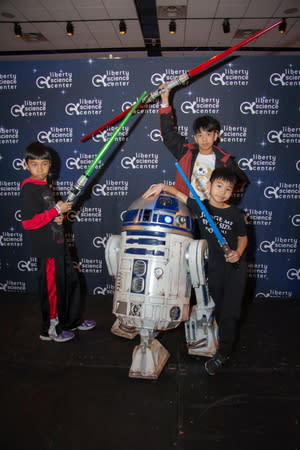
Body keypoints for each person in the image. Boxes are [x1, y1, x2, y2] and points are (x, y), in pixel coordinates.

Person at [142, 167, 248, 375]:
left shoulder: (235, 213)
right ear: (209, 185)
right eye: (218, 186)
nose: (222, 192)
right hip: (215, 269)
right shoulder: (201, 207)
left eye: (228, 189)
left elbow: (243, 237)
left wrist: (238, 252)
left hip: (235, 268)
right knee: (218, 309)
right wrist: (163, 187)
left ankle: (222, 353)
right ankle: (220, 338)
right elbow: (180, 194)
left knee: (230, 313)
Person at [20, 142, 96, 343]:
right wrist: (55, 211)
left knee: (71, 283)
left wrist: (58, 217)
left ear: (50, 165)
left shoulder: (45, 185)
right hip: (47, 251)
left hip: (59, 245)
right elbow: (28, 222)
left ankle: (71, 320)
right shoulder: (29, 188)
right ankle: (50, 329)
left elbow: (46, 215)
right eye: (34, 165)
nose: (40, 169)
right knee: (53, 290)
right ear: (26, 165)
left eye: (44, 164)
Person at [159, 84, 249, 200]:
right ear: (195, 138)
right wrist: (165, 101)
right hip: (186, 206)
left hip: (209, 210)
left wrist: (222, 195)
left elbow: (241, 180)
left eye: (208, 134)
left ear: (216, 136)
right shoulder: (185, 152)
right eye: (200, 135)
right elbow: (168, 132)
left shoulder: (225, 160)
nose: (204, 139)